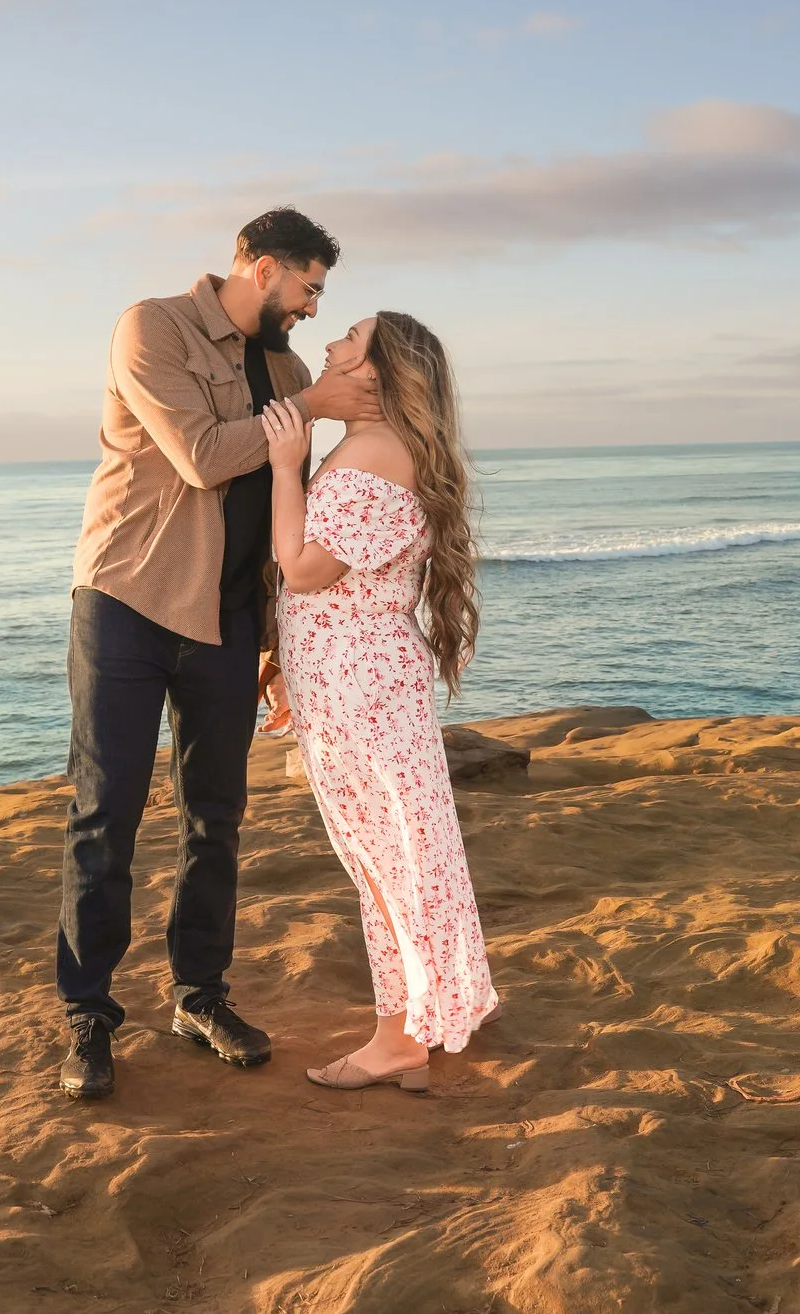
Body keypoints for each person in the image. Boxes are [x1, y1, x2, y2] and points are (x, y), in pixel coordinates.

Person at [56, 209, 378, 1102]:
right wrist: (313, 408)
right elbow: (200, 457)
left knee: (216, 817)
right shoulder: (151, 326)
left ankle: (200, 996)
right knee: (105, 812)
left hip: (231, 618)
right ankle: (87, 1012)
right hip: (127, 597)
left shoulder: (286, 369)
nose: (314, 307)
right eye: (309, 286)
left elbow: (291, 501)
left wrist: (279, 637)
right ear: (263, 267)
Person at [260, 312, 498, 1093]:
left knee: (390, 860)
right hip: (355, 676)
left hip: (359, 681)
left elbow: (301, 569)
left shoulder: (373, 453)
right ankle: (412, 1024)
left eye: (348, 340)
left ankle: (401, 1037)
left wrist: (284, 464)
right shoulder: (383, 448)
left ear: (378, 371)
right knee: (391, 855)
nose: (328, 344)